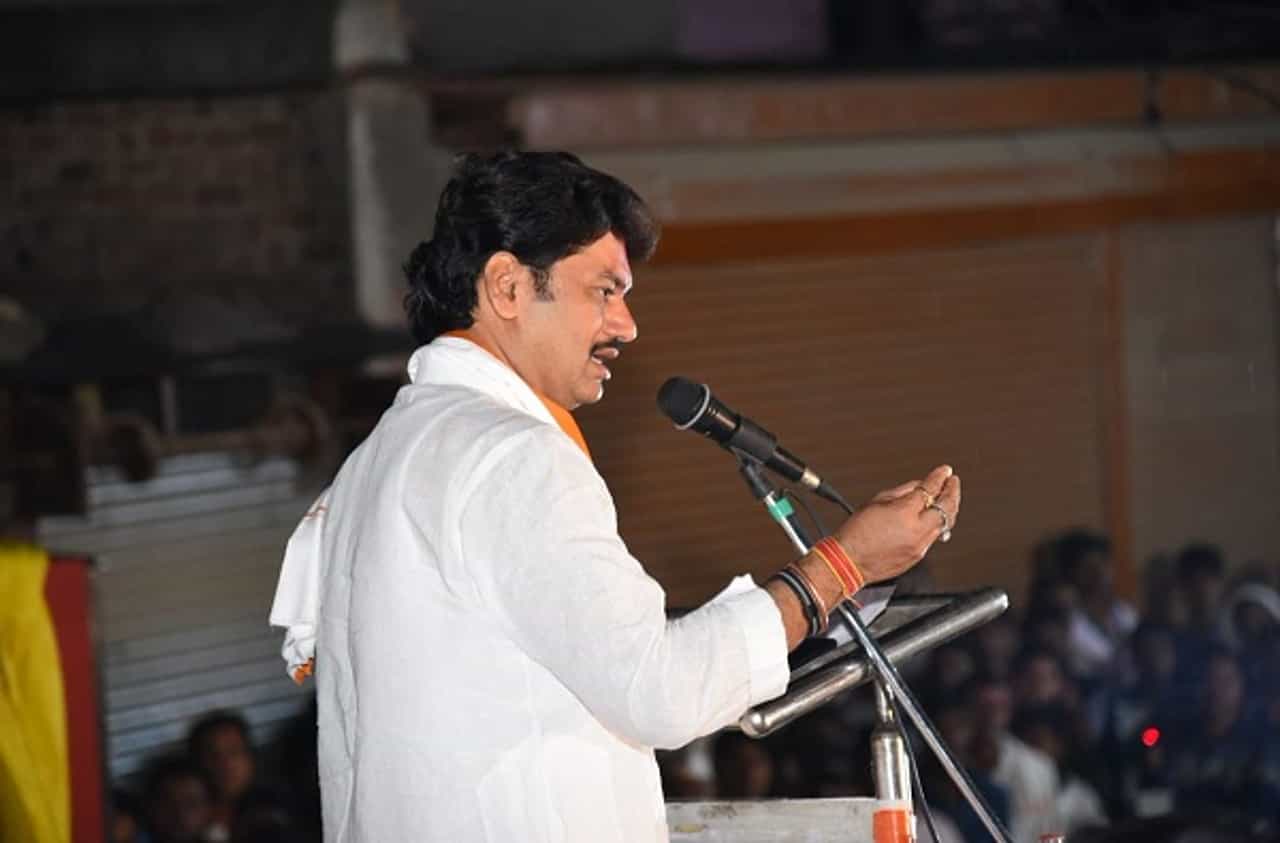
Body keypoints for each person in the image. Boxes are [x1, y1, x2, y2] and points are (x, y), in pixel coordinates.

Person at [269, 151, 961, 842]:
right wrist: (843, 566)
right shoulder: (513, 456)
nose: (626, 325)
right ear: (508, 286)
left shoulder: (371, 463)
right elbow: (661, 689)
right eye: (604, 291)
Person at [187, 711, 256, 841]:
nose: (225, 764)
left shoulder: (277, 809)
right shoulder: (189, 822)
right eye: (213, 755)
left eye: (234, 751)